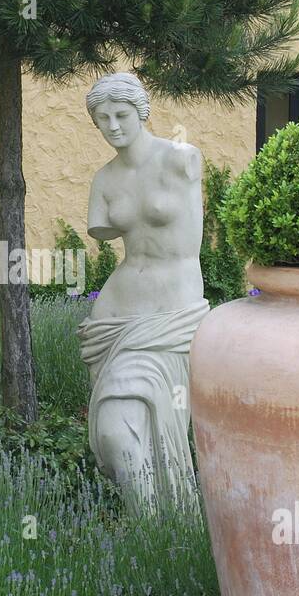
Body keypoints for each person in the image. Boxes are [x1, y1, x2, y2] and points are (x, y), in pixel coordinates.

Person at [77, 71, 209, 507]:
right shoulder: (104, 179)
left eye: (121, 114)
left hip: (173, 317)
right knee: (115, 432)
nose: (112, 125)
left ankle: (160, 532)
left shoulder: (181, 159)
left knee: (161, 428)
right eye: (102, 119)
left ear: (141, 111)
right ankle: (148, 533)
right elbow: (102, 230)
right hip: (115, 319)